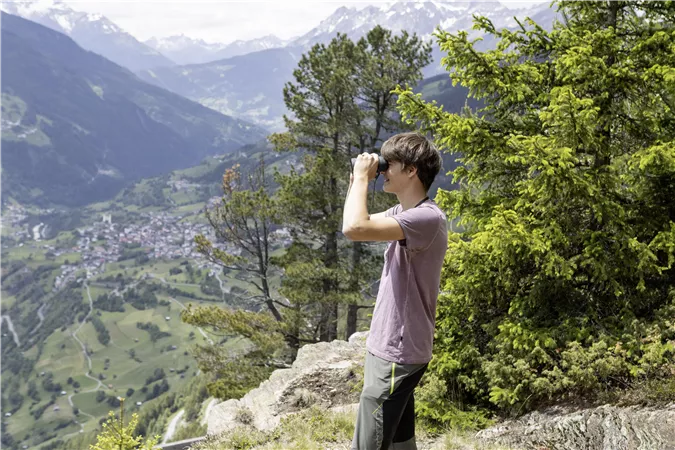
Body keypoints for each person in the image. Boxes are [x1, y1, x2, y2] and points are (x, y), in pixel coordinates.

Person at [343, 132, 448, 450]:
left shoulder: (427, 218)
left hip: (397, 352)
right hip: (391, 347)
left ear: (412, 170)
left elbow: (353, 229)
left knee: (369, 445)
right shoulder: (404, 214)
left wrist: (363, 176)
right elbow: (355, 220)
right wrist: (357, 179)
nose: (384, 169)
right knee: (401, 443)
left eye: (390, 163)